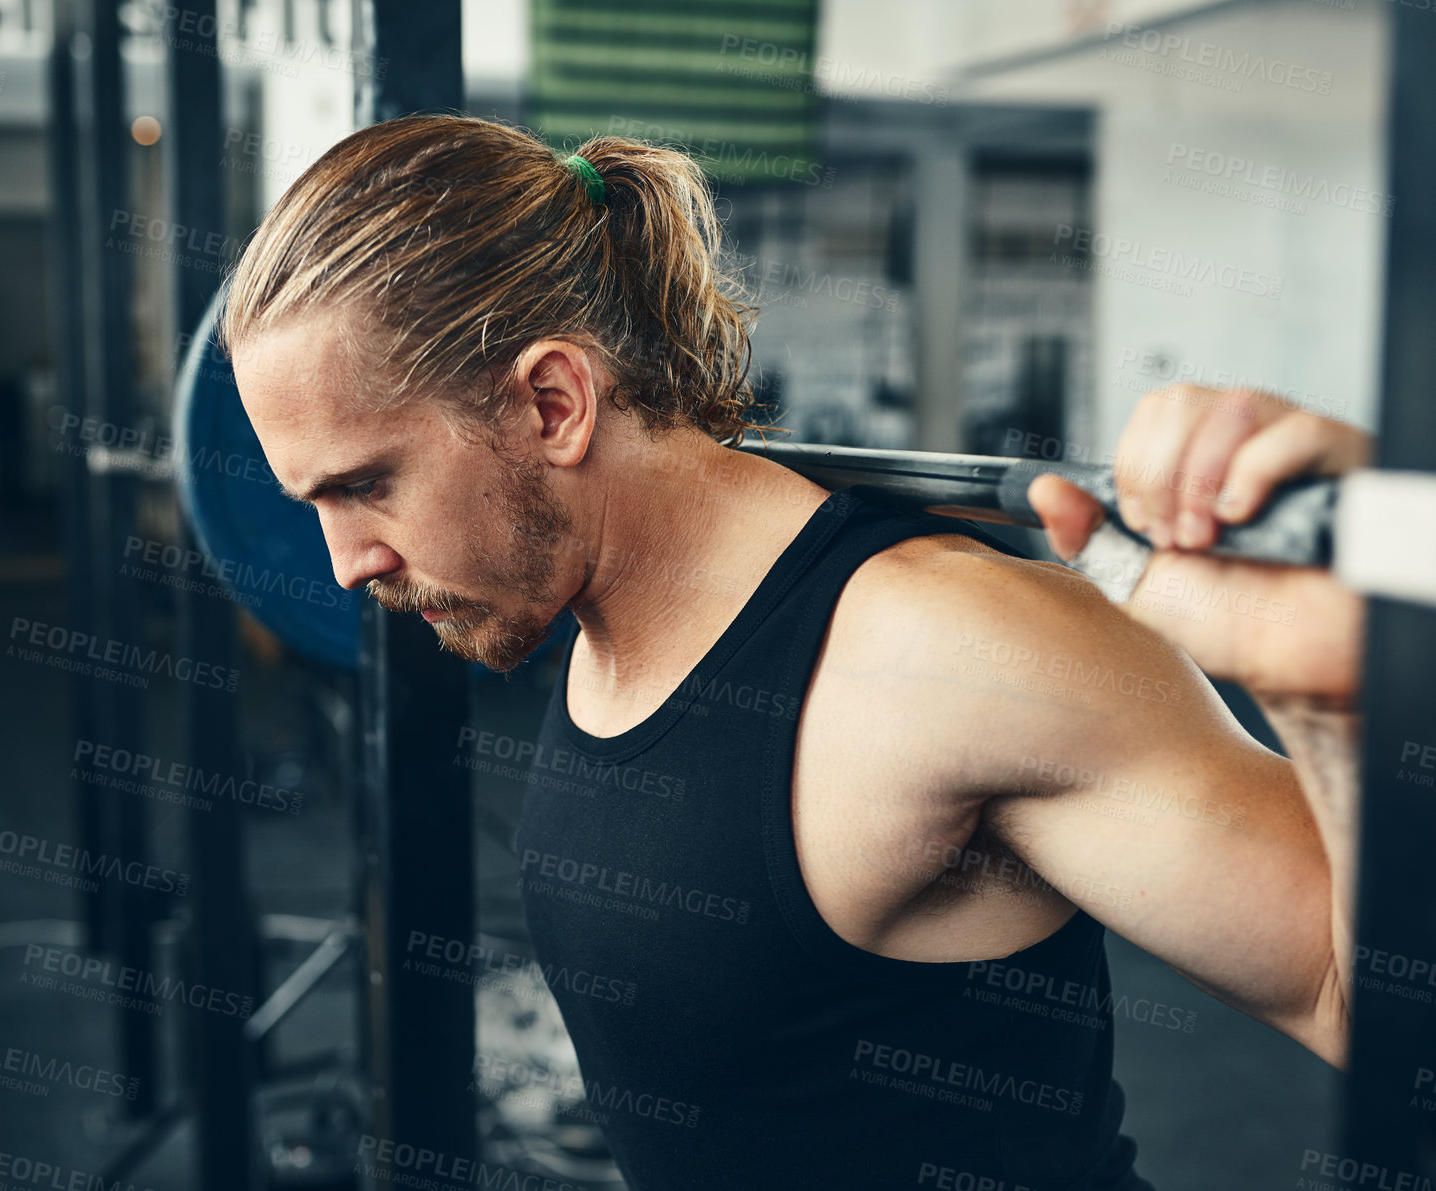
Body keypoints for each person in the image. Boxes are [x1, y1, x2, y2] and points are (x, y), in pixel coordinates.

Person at [222, 113, 1366, 1190]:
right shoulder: (598, 610)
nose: (343, 563)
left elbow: (1348, 991)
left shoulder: (949, 648)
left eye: (366, 485)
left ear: (555, 403)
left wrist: (1331, 709)